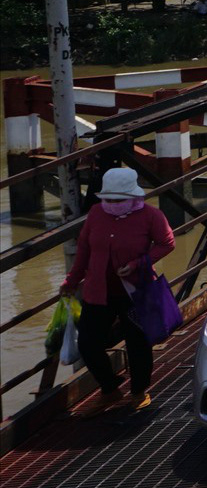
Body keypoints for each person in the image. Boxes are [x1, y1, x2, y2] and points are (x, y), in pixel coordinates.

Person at [59, 166, 175, 417]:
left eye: (118, 200)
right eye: (108, 199)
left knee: (138, 344)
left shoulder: (151, 216)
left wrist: (138, 263)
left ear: (133, 197)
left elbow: (167, 243)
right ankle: (110, 389)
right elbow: (84, 250)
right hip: (98, 290)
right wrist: (71, 280)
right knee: (89, 343)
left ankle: (139, 391)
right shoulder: (95, 214)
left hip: (135, 291)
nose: (112, 204)